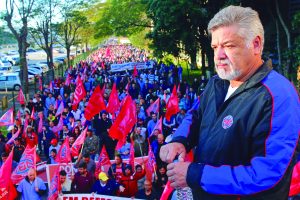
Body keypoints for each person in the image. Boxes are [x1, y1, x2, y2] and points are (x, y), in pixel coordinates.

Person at [159, 6, 300, 200]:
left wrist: (196, 174)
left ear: (256, 45)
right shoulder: (217, 82)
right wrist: (180, 140)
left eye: (229, 45)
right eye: (215, 47)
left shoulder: (279, 95)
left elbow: (267, 173)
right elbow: (196, 114)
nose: (219, 55)